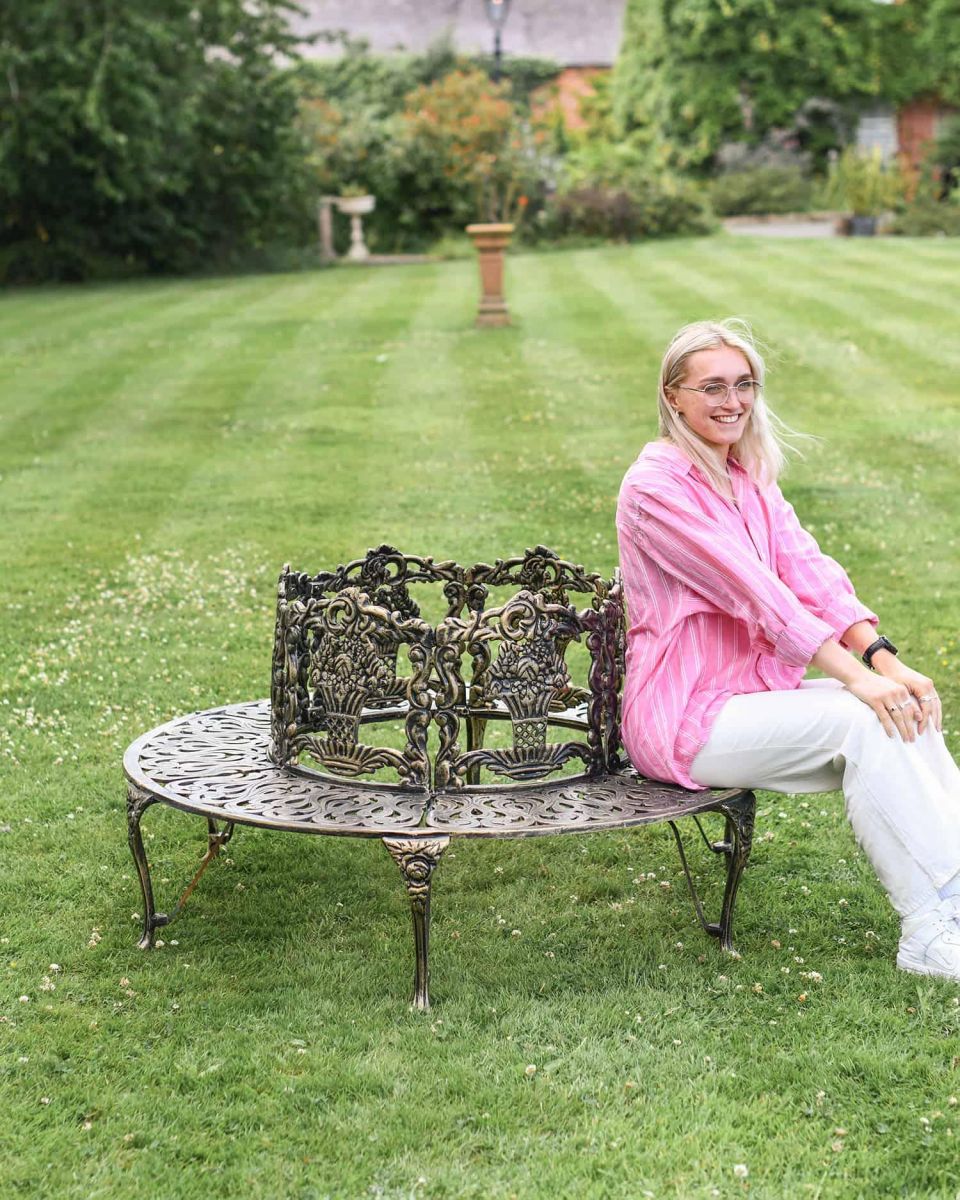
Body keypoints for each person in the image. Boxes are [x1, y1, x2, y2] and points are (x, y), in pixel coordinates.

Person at [615, 318, 960, 980]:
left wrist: (886, 662)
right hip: (682, 717)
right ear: (672, 396)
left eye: (744, 385)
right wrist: (854, 681)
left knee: (906, 708)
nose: (731, 402)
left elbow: (810, 573)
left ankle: (951, 906)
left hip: (746, 698)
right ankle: (926, 929)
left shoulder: (744, 474)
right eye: (711, 387)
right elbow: (760, 597)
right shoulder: (656, 486)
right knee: (862, 717)